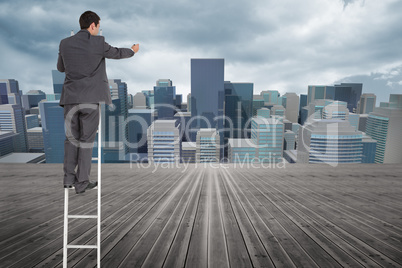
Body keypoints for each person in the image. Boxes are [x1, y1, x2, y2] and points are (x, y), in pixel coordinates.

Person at [57, 10, 139, 194]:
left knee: (70, 139)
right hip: (90, 100)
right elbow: (117, 53)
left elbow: (60, 68)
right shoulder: (98, 43)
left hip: (70, 99)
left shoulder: (64, 43)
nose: (98, 29)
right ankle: (82, 182)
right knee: (86, 141)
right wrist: (132, 51)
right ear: (93, 25)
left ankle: (68, 179)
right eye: (98, 26)